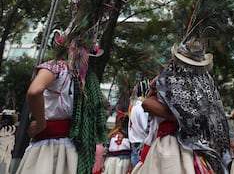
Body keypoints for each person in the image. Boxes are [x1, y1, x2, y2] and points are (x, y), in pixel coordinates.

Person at [131, 38, 231, 174]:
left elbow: (148, 104)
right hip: (171, 145)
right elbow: (147, 104)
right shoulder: (169, 83)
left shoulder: (198, 88)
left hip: (180, 147)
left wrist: (181, 119)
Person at [15, 38, 107, 174]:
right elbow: (34, 92)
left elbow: (34, 91)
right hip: (73, 151)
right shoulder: (88, 82)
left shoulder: (60, 68)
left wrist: (41, 124)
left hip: (52, 147)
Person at [103, 107, 132, 174]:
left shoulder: (130, 134)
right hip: (112, 160)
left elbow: (132, 149)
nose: (122, 122)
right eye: (121, 120)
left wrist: (131, 163)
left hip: (125, 160)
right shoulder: (111, 134)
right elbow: (106, 148)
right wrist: (103, 161)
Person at [128, 81, 149, 168]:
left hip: (135, 148)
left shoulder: (133, 107)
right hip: (142, 148)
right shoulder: (142, 107)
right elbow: (146, 127)